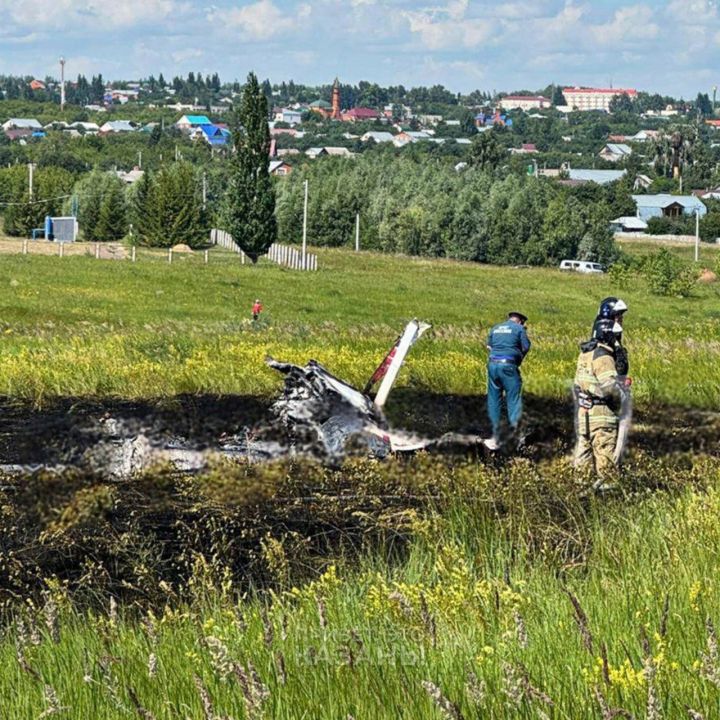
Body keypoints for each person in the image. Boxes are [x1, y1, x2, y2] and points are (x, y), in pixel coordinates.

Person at [573, 304, 631, 482]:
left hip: (585, 417)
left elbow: (578, 385)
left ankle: (579, 494)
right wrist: (623, 398)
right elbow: (610, 389)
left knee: (582, 464)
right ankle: (608, 501)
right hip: (603, 418)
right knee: (606, 466)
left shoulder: (585, 354)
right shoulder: (603, 356)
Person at [484, 311, 531, 450]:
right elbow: (526, 346)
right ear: (520, 321)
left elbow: (489, 346)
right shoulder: (519, 329)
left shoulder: (495, 328)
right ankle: (516, 435)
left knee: (494, 399)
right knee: (513, 399)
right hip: (509, 366)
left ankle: (495, 435)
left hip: (492, 365)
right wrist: (518, 358)